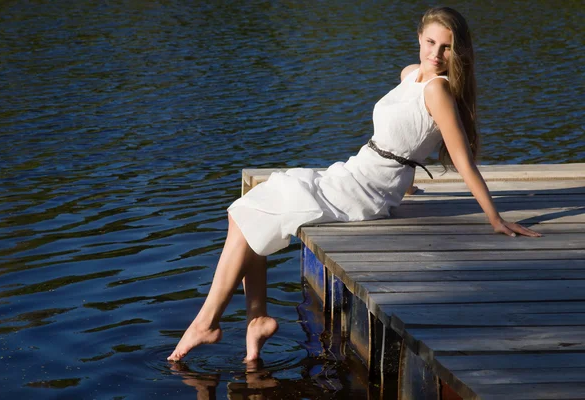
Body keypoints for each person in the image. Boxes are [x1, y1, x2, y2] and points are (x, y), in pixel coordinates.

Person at [167, 6, 541, 363]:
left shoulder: (438, 91)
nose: (437, 54)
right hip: (354, 170)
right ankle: (255, 320)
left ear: (458, 51)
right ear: (419, 39)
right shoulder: (411, 74)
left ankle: (210, 322)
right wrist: (407, 181)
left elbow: (462, 161)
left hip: (366, 190)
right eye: (431, 43)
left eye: (447, 47)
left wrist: (494, 217)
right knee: (247, 208)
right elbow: (408, 136)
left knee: (252, 210)